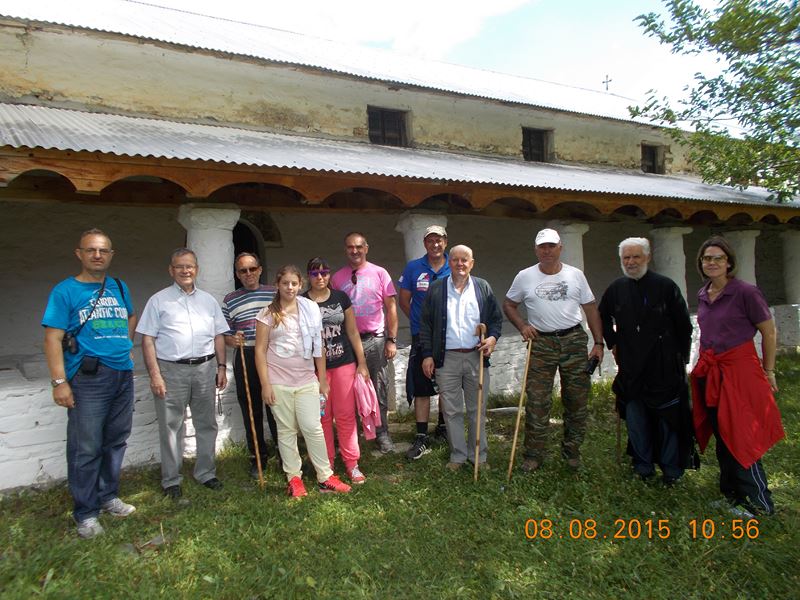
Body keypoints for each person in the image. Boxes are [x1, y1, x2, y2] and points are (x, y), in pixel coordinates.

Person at [42, 229, 137, 539]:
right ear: (79, 254)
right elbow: (53, 338)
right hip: (88, 379)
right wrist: (60, 382)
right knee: (86, 447)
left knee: (116, 439)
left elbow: (131, 318)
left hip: (122, 372)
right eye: (91, 250)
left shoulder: (120, 287)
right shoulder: (65, 291)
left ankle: (108, 495)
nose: (98, 255)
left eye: (104, 250)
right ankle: (86, 512)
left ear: (110, 255)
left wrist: (123, 343)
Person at [690, 236, 784, 516]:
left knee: (741, 433)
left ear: (729, 262)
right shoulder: (703, 294)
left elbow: (768, 332)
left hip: (739, 371)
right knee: (722, 432)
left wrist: (769, 370)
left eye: (718, 258)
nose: (712, 262)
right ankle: (732, 495)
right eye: (707, 258)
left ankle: (759, 504)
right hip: (712, 371)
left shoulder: (746, 292)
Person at [503, 228, 604, 471]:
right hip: (541, 343)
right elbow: (509, 304)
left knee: (576, 399)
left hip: (573, 340)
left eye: (551, 246)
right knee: (537, 401)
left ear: (560, 248)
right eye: (542, 246)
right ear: (536, 249)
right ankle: (534, 455)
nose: (547, 251)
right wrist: (522, 325)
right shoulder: (524, 276)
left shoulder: (575, 275)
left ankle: (572, 452)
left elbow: (590, 308)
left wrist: (598, 343)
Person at [598, 237, 696, 484]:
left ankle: (671, 470)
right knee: (636, 419)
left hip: (664, 368)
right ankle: (642, 466)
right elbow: (602, 316)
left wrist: (679, 359)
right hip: (631, 369)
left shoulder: (666, 287)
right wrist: (614, 343)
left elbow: (684, 326)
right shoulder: (616, 289)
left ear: (647, 257)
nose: (631, 262)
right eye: (626, 258)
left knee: (668, 421)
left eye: (636, 257)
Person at [136, 248, 229, 499]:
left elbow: (219, 335)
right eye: (180, 267)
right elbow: (147, 340)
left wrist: (222, 367)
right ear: (171, 270)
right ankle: (171, 479)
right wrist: (155, 374)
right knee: (170, 426)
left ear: (196, 269)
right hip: (171, 370)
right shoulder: (158, 300)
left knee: (206, 423)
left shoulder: (208, 301)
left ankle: (206, 473)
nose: (185, 271)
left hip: (205, 368)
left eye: (190, 266)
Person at [255, 265, 351, 497]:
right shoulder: (267, 313)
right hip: (278, 381)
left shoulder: (309, 308)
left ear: (300, 286)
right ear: (278, 285)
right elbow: (259, 351)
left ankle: (325, 476)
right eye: (285, 283)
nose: (290, 287)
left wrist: (322, 379)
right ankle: (294, 478)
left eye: (294, 284)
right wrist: (266, 384)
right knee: (286, 430)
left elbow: (319, 343)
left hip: (307, 379)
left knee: (313, 428)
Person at [419, 245, 503, 470]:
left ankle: (479, 457)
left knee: (477, 408)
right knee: (452, 410)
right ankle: (457, 456)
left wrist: (493, 338)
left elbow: (495, 319)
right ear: (449, 263)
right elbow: (425, 325)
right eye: (455, 260)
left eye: (464, 260)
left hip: (477, 357)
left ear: (472, 263)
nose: (460, 264)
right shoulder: (437, 289)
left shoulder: (482, 287)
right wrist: (427, 355)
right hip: (447, 359)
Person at [303, 257, 370, 484]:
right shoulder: (302, 302)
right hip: (313, 370)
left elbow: (352, 332)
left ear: (329, 274)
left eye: (324, 272)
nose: (320, 277)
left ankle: (352, 464)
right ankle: (327, 465)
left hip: (343, 363)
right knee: (321, 418)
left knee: (345, 416)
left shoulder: (341, 298)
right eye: (315, 273)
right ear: (308, 276)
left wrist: (361, 363)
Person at [331, 232, 399, 453]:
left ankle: (382, 433)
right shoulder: (337, 278)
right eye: (350, 247)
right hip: (347, 342)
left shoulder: (380, 273)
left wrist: (391, 339)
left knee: (378, 387)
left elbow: (391, 308)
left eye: (359, 247)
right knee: (348, 390)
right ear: (345, 250)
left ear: (366, 248)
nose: (355, 251)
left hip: (375, 340)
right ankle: (354, 435)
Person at [222, 252, 280, 479]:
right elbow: (225, 335)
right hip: (245, 354)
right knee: (251, 408)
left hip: (273, 355)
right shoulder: (230, 299)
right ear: (237, 274)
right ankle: (258, 458)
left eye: (252, 269)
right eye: (242, 271)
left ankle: (285, 455)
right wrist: (232, 340)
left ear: (260, 269)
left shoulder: (274, 293)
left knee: (276, 407)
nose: (248, 274)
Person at [398, 225, 451, 460]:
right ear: (425, 243)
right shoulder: (413, 268)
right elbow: (404, 300)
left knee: (446, 383)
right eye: (431, 240)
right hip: (422, 337)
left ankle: (442, 426)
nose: (435, 244)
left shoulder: (455, 266)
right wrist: (420, 324)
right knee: (422, 386)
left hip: (449, 335)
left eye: (439, 240)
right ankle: (421, 435)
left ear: (445, 242)